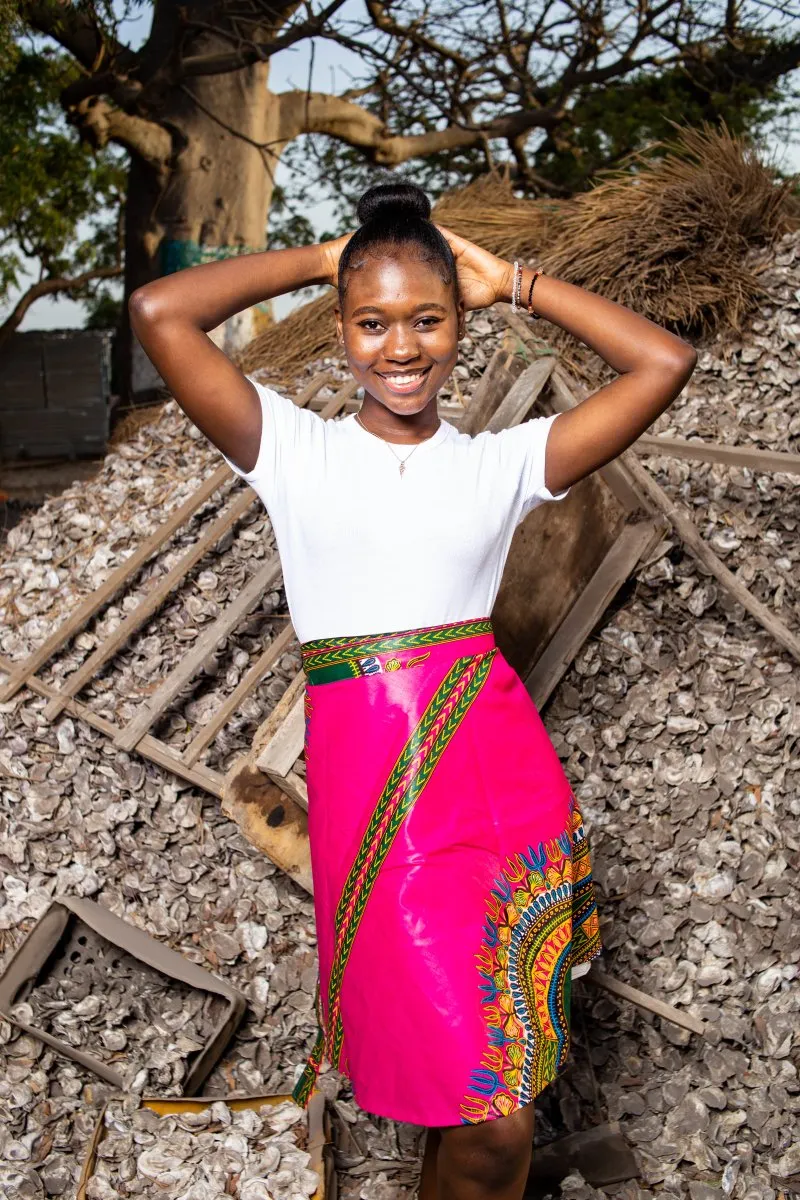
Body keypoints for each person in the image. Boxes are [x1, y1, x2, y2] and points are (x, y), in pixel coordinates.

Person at [129, 180, 696, 1200]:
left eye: (427, 319)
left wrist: (516, 280)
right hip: (377, 805)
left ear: (461, 322)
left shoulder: (500, 464)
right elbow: (160, 312)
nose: (400, 348)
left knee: (488, 1107)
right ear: (341, 328)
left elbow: (663, 361)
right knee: (480, 1113)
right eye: (372, 321)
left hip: (490, 785)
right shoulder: (292, 453)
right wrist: (323, 260)